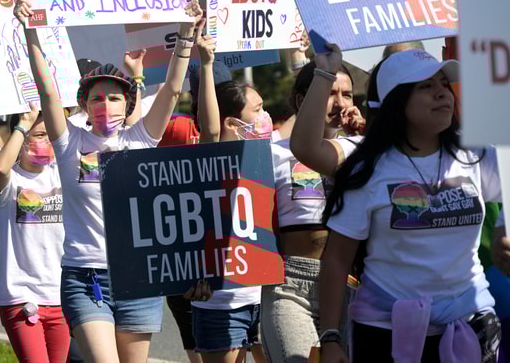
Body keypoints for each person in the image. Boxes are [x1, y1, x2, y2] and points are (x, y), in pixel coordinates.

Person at [15, 0, 210, 363]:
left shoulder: (141, 139)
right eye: (97, 97)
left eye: (114, 97)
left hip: (138, 276)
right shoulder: (69, 142)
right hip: (85, 278)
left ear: (129, 102)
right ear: (85, 104)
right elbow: (48, 92)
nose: (105, 104)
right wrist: (30, 30)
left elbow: (172, 89)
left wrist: (187, 32)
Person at [317, 47, 502, 362]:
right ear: (397, 103)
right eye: (426, 86)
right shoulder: (368, 170)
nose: (442, 93)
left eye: (444, 84)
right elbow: (336, 260)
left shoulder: (478, 155)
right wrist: (330, 337)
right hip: (385, 332)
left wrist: (502, 231)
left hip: (471, 325)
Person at [260, 62, 362, 363]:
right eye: (330, 93)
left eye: (347, 94)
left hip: (350, 287)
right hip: (290, 288)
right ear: (302, 100)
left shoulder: (364, 151)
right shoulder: (273, 154)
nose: (340, 103)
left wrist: (367, 136)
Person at [191, 76, 269, 363]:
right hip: (220, 307)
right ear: (232, 123)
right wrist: (206, 64)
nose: (265, 117)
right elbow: (210, 132)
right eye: (258, 110)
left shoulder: (269, 159)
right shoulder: (204, 165)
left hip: (268, 301)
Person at [158, 59, 231, 363]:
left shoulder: (247, 129)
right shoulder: (177, 128)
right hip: (184, 251)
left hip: (229, 255)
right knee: (196, 340)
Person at [0, 102, 68, 363]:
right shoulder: (11, 182)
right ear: (21, 137)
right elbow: (0, 169)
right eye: (39, 135)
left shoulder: (62, 176)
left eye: (50, 135)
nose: (47, 141)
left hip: (60, 297)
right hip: (21, 298)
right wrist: (24, 124)